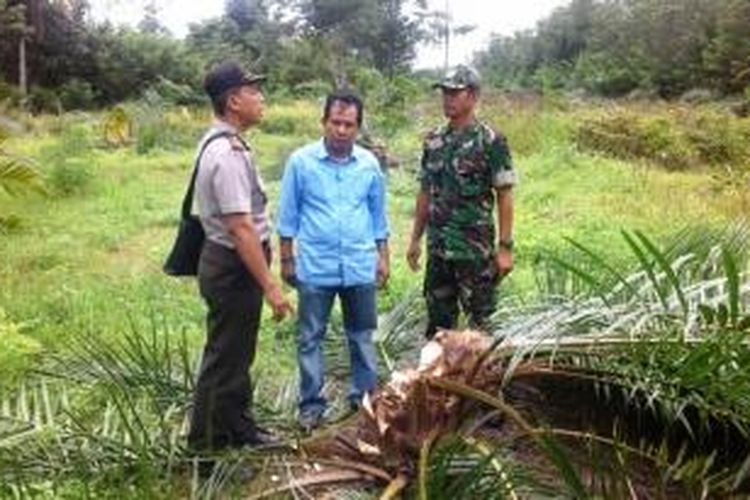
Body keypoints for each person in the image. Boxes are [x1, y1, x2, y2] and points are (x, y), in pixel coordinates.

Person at [187, 62, 293, 453]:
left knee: (234, 353)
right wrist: (271, 287)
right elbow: (241, 228)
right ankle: (205, 445)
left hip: (229, 263)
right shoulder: (227, 153)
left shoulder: (225, 142)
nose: (260, 98)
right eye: (253, 91)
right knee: (225, 357)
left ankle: (236, 429)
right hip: (234, 267)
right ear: (234, 101)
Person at [276, 91, 390, 431]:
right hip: (315, 265)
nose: (341, 130)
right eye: (335, 122)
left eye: (349, 124)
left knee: (362, 334)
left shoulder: (369, 164)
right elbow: (289, 214)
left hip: (358, 264)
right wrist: (285, 258)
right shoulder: (301, 162)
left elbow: (377, 215)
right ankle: (311, 405)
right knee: (310, 336)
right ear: (323, 122)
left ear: (358, 127)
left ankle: (364, 399)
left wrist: (383, 257)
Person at [406, 65, 516, 339]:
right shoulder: (433, 141)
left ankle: (483, 380)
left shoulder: (491, 141)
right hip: (439, 251)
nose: (448, 99)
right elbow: (425, 191)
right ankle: (441, 378)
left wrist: (505, 248)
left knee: (483, 327)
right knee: (439, 329)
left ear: (474, 95)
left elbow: (504, 194)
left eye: (455, 92)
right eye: (445, 92)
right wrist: (415, 239)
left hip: (474, 253)